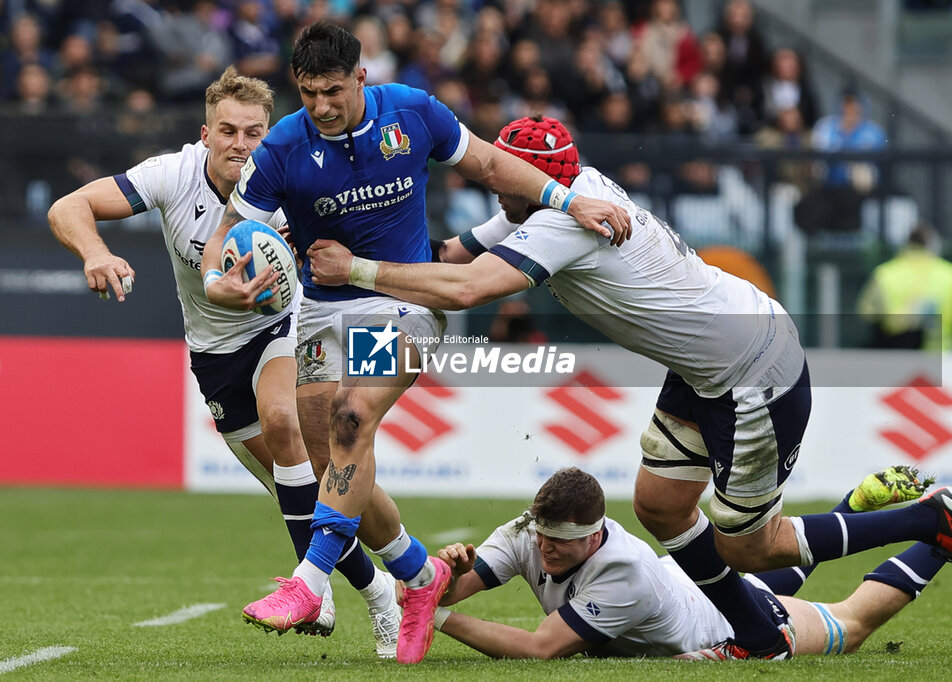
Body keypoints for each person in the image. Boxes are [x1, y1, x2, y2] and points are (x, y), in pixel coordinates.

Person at [306, 114, 952, 660]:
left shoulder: (561, 223)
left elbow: (470, 288)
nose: (493, 185)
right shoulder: (559, 193)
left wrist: (357, 269)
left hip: (751, 367)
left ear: (534, 179)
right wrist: (331, 233)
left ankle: (934, 517)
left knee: (752, 546)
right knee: (660, 504)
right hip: (705, 363)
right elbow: (451, 256)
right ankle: (757, 633)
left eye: (501, 175)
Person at [199, 22, 631, 665]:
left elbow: (487, 161)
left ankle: (308, 584)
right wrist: (217, 283)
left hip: (404, 305)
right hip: (319, 313)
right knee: (336, 465)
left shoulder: (412, 112)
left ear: (360, 78)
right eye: (310, 92)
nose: (321, 106)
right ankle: (421, 577)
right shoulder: (283, 147)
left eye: (333, 91)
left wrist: (567, 201)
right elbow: (230, 229)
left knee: (353, 416)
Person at [47, 66, 402, 659]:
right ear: (205, 133)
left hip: (289, 327)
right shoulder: (170, 174)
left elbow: (360, 239)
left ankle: (314, 586)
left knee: (288, 424)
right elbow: (68, 206)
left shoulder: (293, 170)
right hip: (214, 352)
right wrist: (96, 253)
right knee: (310, 492)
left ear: (271, 133)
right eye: (229, 131)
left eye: (255, 132)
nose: (242, 144)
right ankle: (384, 590)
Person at [430, 466, 947, 660]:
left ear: (595, 536)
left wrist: (437, 617)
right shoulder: (528, 531)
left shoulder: (622, 571)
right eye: (541, 538)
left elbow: (539, 648)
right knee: (772, 565)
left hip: (734, 626)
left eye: (559, 544)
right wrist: (447, 576)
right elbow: (451, 588)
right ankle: (854, 504)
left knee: (852, 624)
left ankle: (939, 533)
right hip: (697, 583)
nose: (544, 551)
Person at [857, 222, 952, 351]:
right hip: (940, 356)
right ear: (933, 244)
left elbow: (867, 313)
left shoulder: (885, 273)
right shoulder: (948, 274)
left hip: (896, 354)